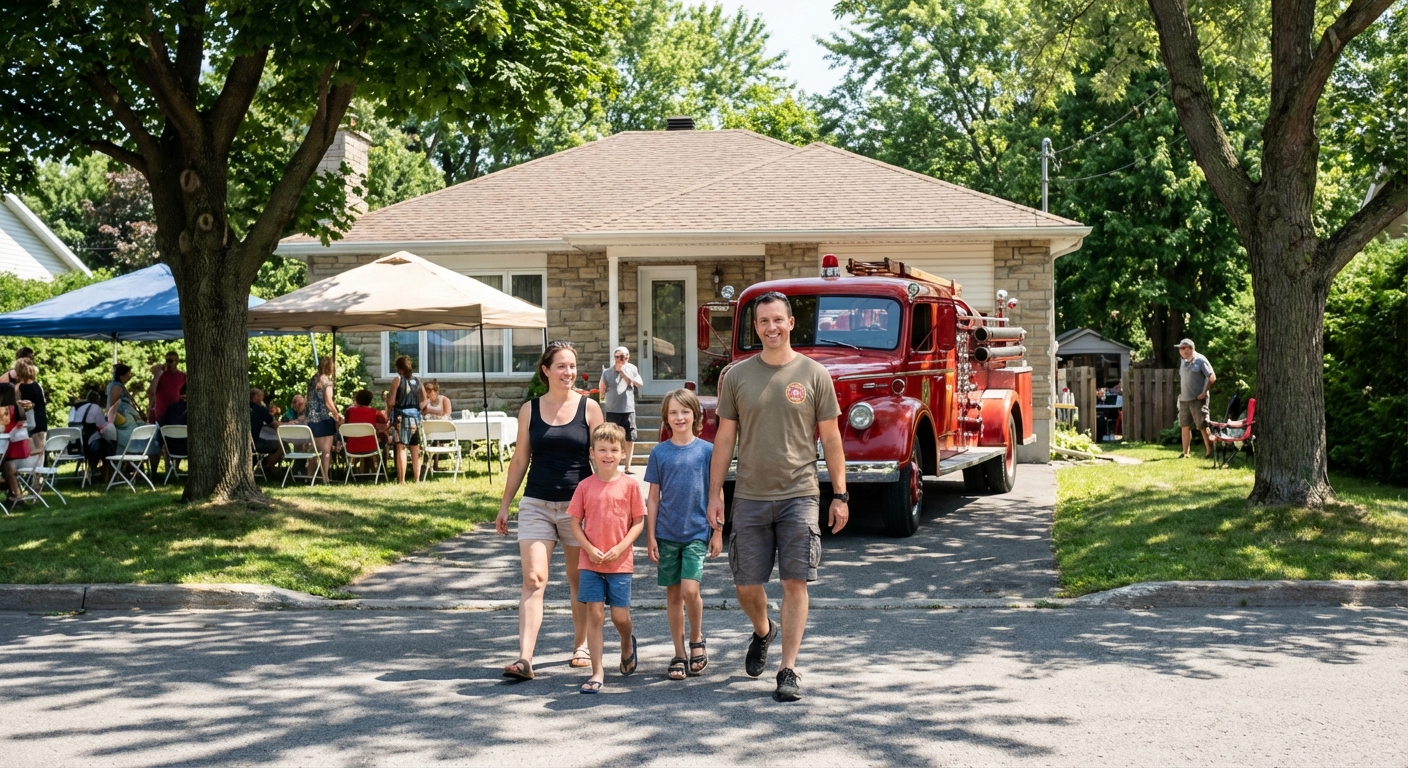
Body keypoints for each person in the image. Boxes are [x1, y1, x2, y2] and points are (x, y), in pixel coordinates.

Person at [707, 291, 849, 703]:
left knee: (795, 581)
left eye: (778, 320)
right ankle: (763, 630)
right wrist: (715, 493)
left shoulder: (814, 374)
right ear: (756, 328)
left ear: (791, 324)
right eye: (763, 321)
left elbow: (832, 438)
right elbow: (725, 438)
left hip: (799, 493)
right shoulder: (735, 376)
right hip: (750, 494)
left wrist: (838, 494)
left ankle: (788, 668)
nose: (771, 327)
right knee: (746, 584)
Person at [495, 341, 604, 681]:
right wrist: (505, 504)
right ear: (546, 370)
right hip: (536, 503)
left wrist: (606, 505)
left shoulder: (590, 408)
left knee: (577, 580)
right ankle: (525, 658)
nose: (568, 372)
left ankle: (581, 645)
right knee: (533, 579)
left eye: (572, 366)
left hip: (578, 507)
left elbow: (602, 459)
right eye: (561, 366)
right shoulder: (530, 409)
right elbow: (519, 459)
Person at [645, 388, 721, 680]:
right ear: (666, 418)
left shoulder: (707, 451)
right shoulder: (659, 453)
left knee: (691, 590)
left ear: (696, 416)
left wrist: (717, 532)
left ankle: (697, 639)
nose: (679, 417)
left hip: (697, 532)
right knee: (673, 594)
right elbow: (653, 498)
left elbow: (717, 493)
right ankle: (678, 653)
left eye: (685, 411)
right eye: (673, 412)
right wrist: (650, 537)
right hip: (666, 533)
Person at [568, 422, 646, 694]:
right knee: (596, 615)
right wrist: (588, 549)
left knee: (619, 617)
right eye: (602, 449)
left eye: (614, 449)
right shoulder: (585, 486)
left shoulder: (630, 486)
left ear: (623, 452)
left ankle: (627, 642)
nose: (608, 454)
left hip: (620, 562)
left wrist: (621, 547)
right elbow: (575, 523)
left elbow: (638, 523)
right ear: (592, 452)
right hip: (590, 562)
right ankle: (598, 671)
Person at [598, 347, 643, 474]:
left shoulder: (632, 369)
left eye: (623, 356)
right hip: (612, 410)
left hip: (628, 409)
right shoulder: (607, 372)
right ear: (614, 357)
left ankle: (628, 466)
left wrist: (624, 373)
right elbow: (602, 389)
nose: (620, 359)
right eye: (617, 357)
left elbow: (639, 384)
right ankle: (614, 466)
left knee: (630, 439)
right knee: (612, 439)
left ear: (628, 357)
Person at [1177, 338, 1217, 458]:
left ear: (1190, 348)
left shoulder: (1200, 360)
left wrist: (1204, 392)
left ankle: (1210, 451)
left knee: (1202, 425)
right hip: (1184, 399)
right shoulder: (1183, 361)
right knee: (1184, 425)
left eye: (1183, 348)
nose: (1181, 351)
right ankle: (1185, 453)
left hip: (1198, 399)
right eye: (1180, 348)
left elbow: (1211, 376)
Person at [386, 355, 423, 484]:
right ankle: (417, 479)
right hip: (415, 418)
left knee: (401, 448)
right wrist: (418, 410)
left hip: (401, 417)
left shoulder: (397, 379)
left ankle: (401, 480)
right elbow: (423, 401)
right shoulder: (417, 381)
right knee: (415, 448)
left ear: (399, 368)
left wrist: (388, 402)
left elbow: (391, 401)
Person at [304, 357, 341, 483]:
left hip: (310, 418)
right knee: (326, 451)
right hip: (323, 419)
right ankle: (325, 477)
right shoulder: (327, 382)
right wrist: (336, 414)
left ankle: (311, 476)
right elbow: (328, 402)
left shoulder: (312, 380)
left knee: (314, 450)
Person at [0, 383, 33, 504]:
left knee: (6, 467)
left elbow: (3, 426)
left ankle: (17, 496)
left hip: (10, 448)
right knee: (6, 467)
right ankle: (13, 496)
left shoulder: (5, 409)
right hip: (22, 449)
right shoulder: (18, 407)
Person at [70, 390, 111, 477]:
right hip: (89, 443)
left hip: (78, 443)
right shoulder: (95, 407)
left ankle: (93, 468)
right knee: (108, 446)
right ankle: (98, 470)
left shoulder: (80, 407)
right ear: (97, 400)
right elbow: (102, 425)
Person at [107, 363, 145, 453]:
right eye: (128, 375)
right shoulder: (117, 387)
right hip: (124, 419)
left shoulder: (115, 385)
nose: (130, 377)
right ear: (121, 376)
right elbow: (111, 406)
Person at [13, 358, 46, 454]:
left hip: (27, 425)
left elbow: (19, 409)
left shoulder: (18, 388)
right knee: (40, 454)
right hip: (41, 422)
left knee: (28, 454)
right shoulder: (37, 386)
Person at [344, 389, 382, 472]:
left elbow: (346, 423)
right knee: (382, 440)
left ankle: (363, 470)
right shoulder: (374, 412)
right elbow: (384, 420)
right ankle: (375, 471)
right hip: (370, 446)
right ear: (370, 401)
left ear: (357, 399)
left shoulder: (349, 411)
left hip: (352, 446)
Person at [147, 351, 186, 423]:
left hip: (175, 413)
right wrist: (159, 371)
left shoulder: (182, 376)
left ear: (177, 362)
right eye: (167, 361)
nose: (168, 363)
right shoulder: (161, 374)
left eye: (170, 361)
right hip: (161, 413)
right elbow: (151, 391)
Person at [249, 388, 283, 471]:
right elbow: (272, 423)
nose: (262, 399)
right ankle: (265, 466)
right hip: (256, 443)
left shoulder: (242, 407)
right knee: (281, 446)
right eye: (261, 396)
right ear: (256, 397)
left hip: (246, 443)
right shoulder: (260, 409)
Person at [158, 384, 189, 461]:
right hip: (188, 448)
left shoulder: (171, 408)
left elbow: (162, 427)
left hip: (171, 448)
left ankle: (171, 469)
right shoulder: (194, 411)